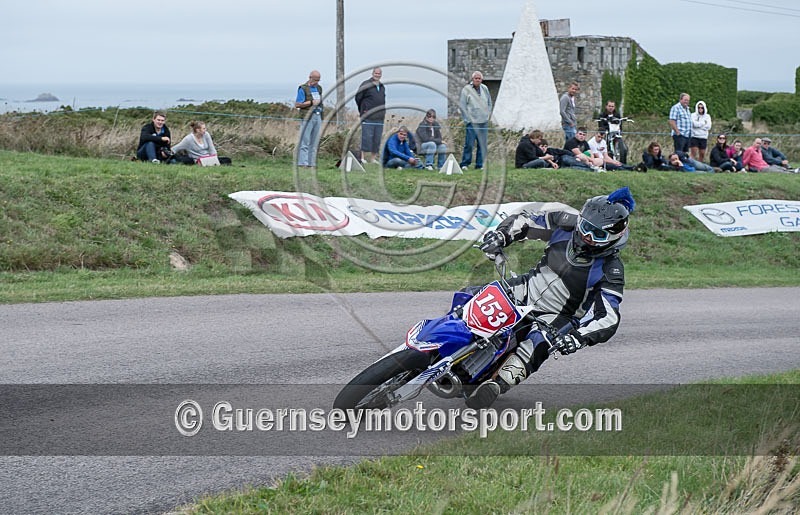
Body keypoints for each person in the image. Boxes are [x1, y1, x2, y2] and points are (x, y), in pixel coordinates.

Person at [466, 187, 636, 409]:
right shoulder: (565, 223)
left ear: (615, 237)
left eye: (599, 235)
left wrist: (579, 337)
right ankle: (439, 338)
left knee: (539, 343)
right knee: (472, 294)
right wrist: (501, 235)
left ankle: (497, 384)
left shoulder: (611, 270)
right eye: (586, 228)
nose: (588, 238)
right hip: (527, 288)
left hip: (559, 316)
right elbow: (526, 221)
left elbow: (609, 317)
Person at [459, 71, 492, 171]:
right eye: (476, 78)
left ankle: (480, 164)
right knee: (469, 144)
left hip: (483, 122)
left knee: (482, 144)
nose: (478, 80)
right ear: (472, 79)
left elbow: (489, 102)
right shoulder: (466, 89)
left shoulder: (485, 88)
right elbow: (462, 105)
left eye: (479, 78)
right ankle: (465, 163)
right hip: (472, 122)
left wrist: (488, 115)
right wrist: (467, 119)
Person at [354, 67, 386, 164]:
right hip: (368, 116)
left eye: (379, 73)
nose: (377, 75)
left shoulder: (382, 86)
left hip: (380, 117)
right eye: (376, 73)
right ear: (372, 74)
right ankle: (362, 158)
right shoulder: (366, 84)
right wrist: (363, 110)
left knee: (377, 139)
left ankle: (373, 158)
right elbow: (358, 97)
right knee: (366, 137)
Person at [294, 70, 323, 168]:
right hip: (307, 117)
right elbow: (298, 104)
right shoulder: (303, 88)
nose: (317, 82)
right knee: (305, 141)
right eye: (315, 80)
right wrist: (311, 103)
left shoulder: (319, 88)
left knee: (314, 141)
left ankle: (312, 163)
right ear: (310, 77)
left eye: (318, 80)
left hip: (317, 115)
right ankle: (303, 163)